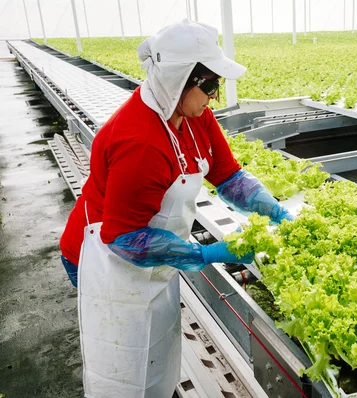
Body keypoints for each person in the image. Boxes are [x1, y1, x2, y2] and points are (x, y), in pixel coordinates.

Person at [59, 19, 293, 398]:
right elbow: (123, 238)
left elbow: (228, 175)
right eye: (211, 86)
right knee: (122, 360)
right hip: (105, 258)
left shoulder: (193, 115)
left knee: (157, 344)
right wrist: (205, 252)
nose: (214, 97)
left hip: (151, 252)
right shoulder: (141, 143)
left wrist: (274, 209)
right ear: (180, 80)